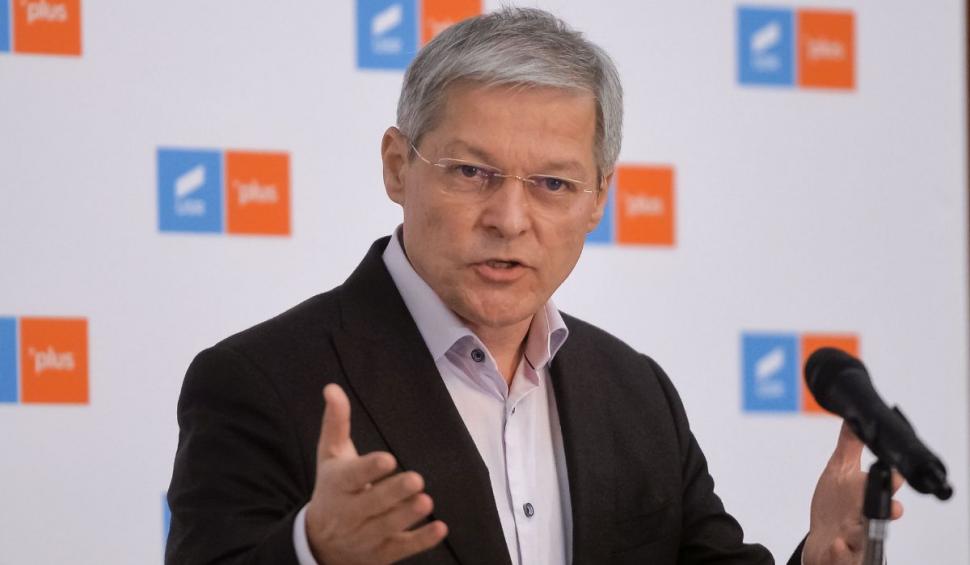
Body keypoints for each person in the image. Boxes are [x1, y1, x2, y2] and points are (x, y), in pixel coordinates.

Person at [166, 7, 902, 565]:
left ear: (598, 198)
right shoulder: (259, 380)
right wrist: (313, 550)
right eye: (471, 172)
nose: (510, 219)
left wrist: (819, 558)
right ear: (397, 166)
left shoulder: (636, 393)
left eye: (553, 183)